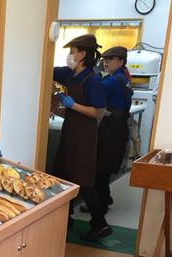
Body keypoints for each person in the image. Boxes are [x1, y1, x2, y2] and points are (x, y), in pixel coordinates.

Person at [53, 34, 109, 241]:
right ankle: (65, 218)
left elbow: (99, 112)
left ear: (82, 54)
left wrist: (73, 105)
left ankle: (100, 225)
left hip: (84, 137)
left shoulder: (93, 80)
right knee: (63, 176)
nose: (70, 55)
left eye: (72, 51)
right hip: (70, 133)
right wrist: (55, 105)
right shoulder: (69, 74)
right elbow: (47, 71)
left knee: (84, 181)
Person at [94, 46, 133, 213]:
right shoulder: (123, 78)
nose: (106, 62)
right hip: (118, 128)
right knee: (105, 168)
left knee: (100, 169)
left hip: (111, 129)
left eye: (110, 59)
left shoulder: (112, 81)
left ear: (121, 61)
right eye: (105, 59)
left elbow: (93, 93)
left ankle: (100, 206)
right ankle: (105, 198)